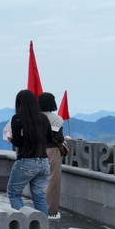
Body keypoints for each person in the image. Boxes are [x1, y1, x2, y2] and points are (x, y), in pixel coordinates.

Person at [6, 89, 54, 214]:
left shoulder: (17, 119)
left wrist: (13, 138)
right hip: (43, 162)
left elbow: (17, 143)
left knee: (14, 194)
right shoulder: (43, 118)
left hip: (25, 161)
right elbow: (50, 139)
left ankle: (24, 224)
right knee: (39, 196)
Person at [38, 92, 66, 220]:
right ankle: (50, 211)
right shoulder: (56, 119)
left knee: (37, 181)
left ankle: (37, 208)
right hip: (52, 151)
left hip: (35, 151)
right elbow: (59, 138)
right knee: (52, 180)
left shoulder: (34, 117)